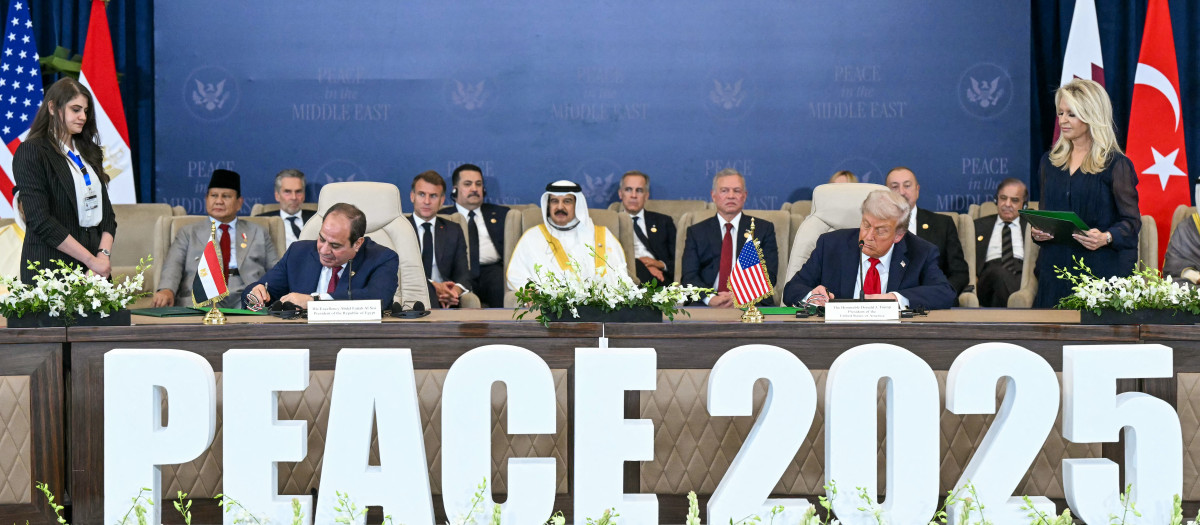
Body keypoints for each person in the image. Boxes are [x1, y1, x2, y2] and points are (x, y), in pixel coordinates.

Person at [1031, 78, 1140, 308]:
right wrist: (1038, 232)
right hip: (1055, 273)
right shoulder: (1049, 162)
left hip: (1099, 276)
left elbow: (1131, 224)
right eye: (1060, 113)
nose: (1062, 121)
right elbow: (1046, 215)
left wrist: (1105, 237)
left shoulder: (1116, 164)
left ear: (1091, 115)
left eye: (1071, 114)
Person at [13, 78, 116, 282]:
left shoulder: (90, 152)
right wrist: (91, 261)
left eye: (86, 111)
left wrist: (102, 257)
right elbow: (41, 221)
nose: (83, 117)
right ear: (52, 107)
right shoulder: (32, 151)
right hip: (50, 269)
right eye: (76, 109)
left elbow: (108, 217)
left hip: (95, 270)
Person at [782, 190, 956, 310]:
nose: (868, 236)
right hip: (837, 337)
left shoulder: (920, 251)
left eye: (880, 230)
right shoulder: (831, 245)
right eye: (866, 225)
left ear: (898, 235)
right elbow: (792, 290)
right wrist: (812, 296)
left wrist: (895, 299)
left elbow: (945, 293)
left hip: (895, 340)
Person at [153, 169, 278, 308]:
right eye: (214, 195)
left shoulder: (258, 232)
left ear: (239, 202)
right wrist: (166, 290)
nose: (219, 201)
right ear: (206, 199)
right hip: (202, 295)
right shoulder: (188, 232)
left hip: (246, 294)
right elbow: (173, 266)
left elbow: (276, 269)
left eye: (226, 196)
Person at [245, 203, 399, 308]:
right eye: (322, 239)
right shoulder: (298, 253)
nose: (324, 250)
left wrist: (315, 301)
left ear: (357, 244)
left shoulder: (382, 258)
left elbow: (377, 299)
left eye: (335, 245)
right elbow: (260, 290)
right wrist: (256, 294)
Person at [680, 168, 778, 307]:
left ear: (744, 196)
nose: (731, 196)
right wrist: (710, 298)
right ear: (713, 195)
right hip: (706, 303)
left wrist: (739, 296)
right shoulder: (696, 232)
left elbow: (769, 275)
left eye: (736, 191)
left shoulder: (763, 229)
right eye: (724, 190)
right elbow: (689, 276)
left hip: (751, 303)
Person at [507, 180, 628, 290]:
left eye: (567, 201)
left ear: (577, 205)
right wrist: (529, 291)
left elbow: (620, 276)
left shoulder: (601, 235)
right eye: (554, 201)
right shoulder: (532, 238)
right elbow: (516, 276)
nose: (560, 207)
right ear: (548, 205)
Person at [886, 167, 969, 296]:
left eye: (907, 186)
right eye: (895, 187)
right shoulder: (875, 226)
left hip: (932, 301)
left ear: (917, 190)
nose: (901, 192)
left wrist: (941, 294)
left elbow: (959, 273)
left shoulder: (942, 224)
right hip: (888, 300)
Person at [440, 164, 509, 307]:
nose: (474, 189)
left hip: (492, 271)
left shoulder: (503, 215)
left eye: (478, 184)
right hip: (457, 273)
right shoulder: (443, 217)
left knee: (500, 283)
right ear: (455, 189)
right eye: (467, 184)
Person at [410, 170, 472, 308]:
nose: (427, 201)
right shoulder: (400, 229)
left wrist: (453, 292)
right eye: (421, 194)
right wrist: (434, 287)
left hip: (446, 300)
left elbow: (463, 274)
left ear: (442, 200)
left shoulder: (453, 230)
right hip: (411, 295)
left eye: (433, 196)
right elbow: (399, 272)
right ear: (412, 196)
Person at [974, 178, 1029, 307]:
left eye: (1014, 200)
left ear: (1024, 205)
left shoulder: (1032, 227)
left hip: (1022, 275)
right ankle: (1016, 317)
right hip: (988, 276)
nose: (1007, 204)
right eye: (1003, 198)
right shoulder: (977, 226)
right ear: (996, 200)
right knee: (998, 272)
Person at [617, 170, 677, 284]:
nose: (633, 195)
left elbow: (680, 260)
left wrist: (659, 264)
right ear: (620, 194)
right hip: (625, 276)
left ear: (646, 196)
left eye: (639, 191)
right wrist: (642, 265)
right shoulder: (611, 222)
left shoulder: (664, 222)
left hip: (660, 276)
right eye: (628, 189)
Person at [255, 169, 314, 249]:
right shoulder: (262, 221)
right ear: (277, 196)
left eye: (298, 191)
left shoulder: (318, 218)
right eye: (287, 192)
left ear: (304, 195)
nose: (294, 197)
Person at [1163, 212, 1200, 284]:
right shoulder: (1187, 227)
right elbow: (1172, 267)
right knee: (1174, 286)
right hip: (1195, 287)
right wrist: (1196, 277)